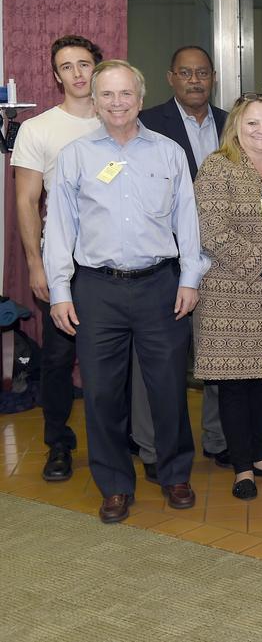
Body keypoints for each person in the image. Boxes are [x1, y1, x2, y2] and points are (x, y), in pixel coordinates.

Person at [44, 60, 207, 523]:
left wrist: (190, 279)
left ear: (140, 97)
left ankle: (175, 473)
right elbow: (59, 227)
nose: (117, 103)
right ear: (94, 102)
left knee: (169, 388)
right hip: (97, 288)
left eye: (126, 95)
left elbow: (187, 223)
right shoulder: (75, 156)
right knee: (101, 394)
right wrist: (60, 291)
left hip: (160, 285)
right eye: (107, 95)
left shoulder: (169, 153)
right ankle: (114, 484)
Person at [192, 94, 262, 500]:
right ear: (236, 128)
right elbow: (213, 230)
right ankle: (242, 466)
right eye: (253, 124)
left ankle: (260, 455)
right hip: (232, 294)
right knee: (236, 382)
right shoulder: (218, 167)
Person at [11, 35, 104, 482]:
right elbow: (28, 202)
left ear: (98, 67)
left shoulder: (121, 120)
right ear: (56, 76)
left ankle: (119, 440)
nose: (77, 74)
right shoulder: (38, 129)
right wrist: (35, 263)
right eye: (66, 67)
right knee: (57, 358)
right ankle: (58, 444)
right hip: (62, 263)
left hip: (114, 266)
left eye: (84, 64)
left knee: (114, 358)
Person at [140, 45, 230, 471]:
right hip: (169, 264)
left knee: (219, 358)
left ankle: (219, 439)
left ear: (213, 78)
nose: (195, 80)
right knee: (165, 364)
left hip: (223, 261)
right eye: (186, 73)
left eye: (203, 73)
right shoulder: (147, 124)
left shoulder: (233, 125)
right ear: (170, 77)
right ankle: (160, 448)